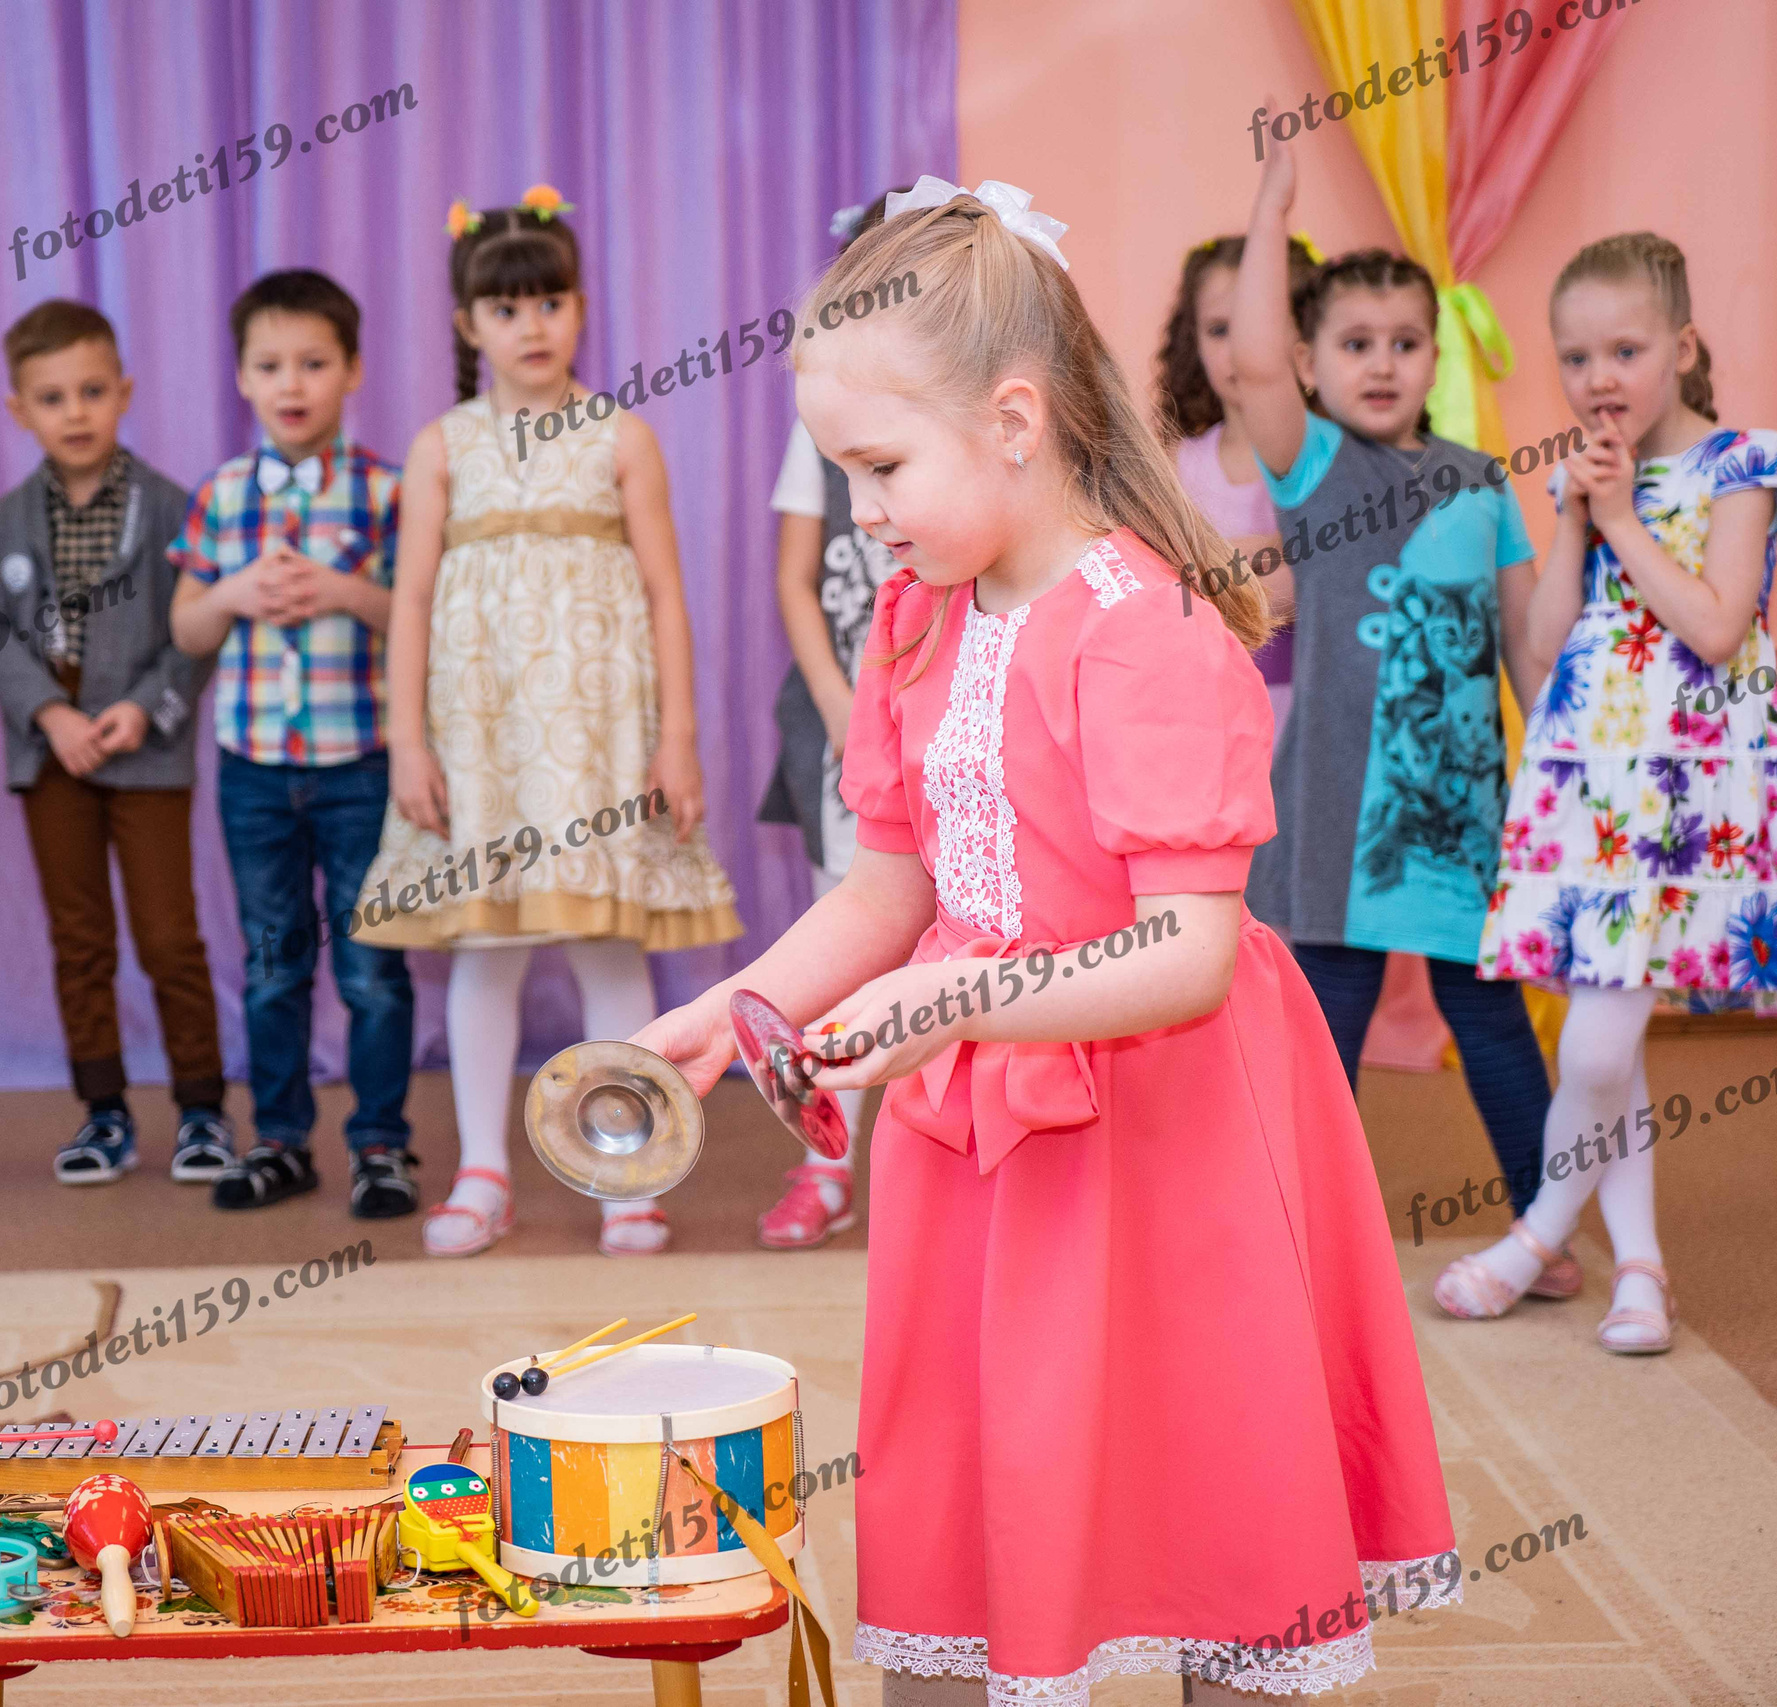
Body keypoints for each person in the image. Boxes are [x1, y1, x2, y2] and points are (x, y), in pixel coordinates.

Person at [632, 176, 1453, 1704]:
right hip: (979, 1118)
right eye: (841, 468)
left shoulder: (1145, 627)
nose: (859, 509)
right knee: (969, 1472)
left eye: (879, 465)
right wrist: (735, 1000)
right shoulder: (914, 616)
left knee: (1207, 1472)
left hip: (1170, 1119)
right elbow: (885, 888)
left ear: (1015, 419)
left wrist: (964, 994)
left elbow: (1188, 951)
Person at [1450, 234, 1777, 1350]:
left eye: (1625, 348)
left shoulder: (1740, 465)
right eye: (1575, 356)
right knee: (1611, 1043)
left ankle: (1535, 1235)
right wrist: (1572, 517)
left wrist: (1618, 519)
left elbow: (1717, 626)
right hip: (1590, 787)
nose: (1598, 376)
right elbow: (1542, 641)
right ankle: (1643, 1274)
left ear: (1683, 346)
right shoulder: (1582, 479)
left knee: (1597, 1049)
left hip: (1687, 794)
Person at [362, 188, 741, 1258]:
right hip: (481, 740)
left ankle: (625, 1163)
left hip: (599, 739)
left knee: (606, 941)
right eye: (505, 308)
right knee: (488, 945)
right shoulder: (442, 448)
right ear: (466, 324)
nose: (532, 325)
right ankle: (483, 1170)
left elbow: (666, 594)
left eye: (551, 301)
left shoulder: (622, 436)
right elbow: (413, 599)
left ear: (579, 308)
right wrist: (406, 739)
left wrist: (678, 740)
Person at [1231, 135, 1563, 1276]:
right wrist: (1271, 206)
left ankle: (1542, 1224)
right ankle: (1299, 1248)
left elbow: (1525, 649)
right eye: (1354, 344)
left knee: (1495, 1031)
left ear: (1437, 355)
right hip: (1331, 827)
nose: (1381, 363)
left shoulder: (1479, 482)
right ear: (1314, 364)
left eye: (1404, 344)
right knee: (1320, 1050)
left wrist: (1558, 796)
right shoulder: (1313, 466)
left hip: (1462, 827)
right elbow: (1252, 365)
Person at [170, 269, 419, 1218]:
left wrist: (348, 593)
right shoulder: (221, 495)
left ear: (351, 371)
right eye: (270, 365)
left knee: (372, 966)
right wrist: (229, 594)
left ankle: (383, 1145)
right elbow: (187, 627)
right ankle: (279, 1139)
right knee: (273, 960)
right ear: (240, 377)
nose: (292, 383)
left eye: (313, 363)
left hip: (361, 765)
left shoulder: (388, 492)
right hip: (254, 772)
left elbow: (419, 620)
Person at [0, 300, 224, 1186]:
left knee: (168, 935)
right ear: (19, 411)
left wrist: (148, 707)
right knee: (80, 939)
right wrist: (49, 713)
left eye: (91, 391)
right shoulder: (6, 522)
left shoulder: (171, 508)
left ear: (125, 393)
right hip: (56, 756)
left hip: (144, 752)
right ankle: (104, 1111)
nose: (74, 412)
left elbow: (199, 631)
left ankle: (200, 1109)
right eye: (51, 396)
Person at [752, 188, 907, 1250]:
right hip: (847, 721)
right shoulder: (818, 433)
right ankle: (827, 1164)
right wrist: (845, 708)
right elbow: (797, 582)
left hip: (938, 713)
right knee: (844, 932)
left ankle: (934, 1162)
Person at [1154, 231, 1318, 736]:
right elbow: (1157, 594)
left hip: (1306, 722)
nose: (1242, 349)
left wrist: (1213, 572)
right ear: (1193, 339)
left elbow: (1331, 580)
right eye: (1220, 329)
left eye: (1261, 325)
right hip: (1201, 720)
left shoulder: (1326, 459)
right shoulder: (1173, 466)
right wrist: (1273, 556)